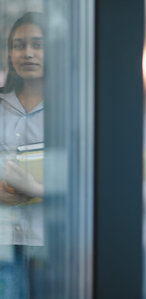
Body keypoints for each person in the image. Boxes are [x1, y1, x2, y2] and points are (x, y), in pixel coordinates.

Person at [0, 12, 45, 299]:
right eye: (18, 45)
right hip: (3, 242)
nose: (27, 53)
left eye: (37, 44)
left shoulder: (71, 108)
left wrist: (39, 190)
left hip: (49, 241)